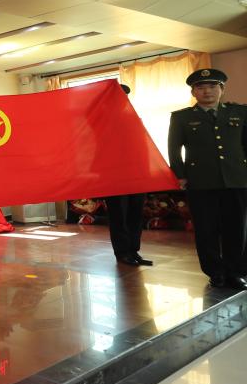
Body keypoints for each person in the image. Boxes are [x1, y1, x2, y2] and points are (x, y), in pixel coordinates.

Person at [167, 68, 247, 290]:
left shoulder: (240, 112)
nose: (207, 91)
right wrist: (180, 175)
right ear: (193, 92)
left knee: (237, 228)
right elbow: (174, 149)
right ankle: (215, 272)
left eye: (212, 86)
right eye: (201, 87)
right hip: (200, 181)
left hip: (236, 179)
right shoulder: (182, 117)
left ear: (222, 89)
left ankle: (236, 272)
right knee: (206, 229)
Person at [105, 84, 152, 267]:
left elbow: (143, 147)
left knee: (135, 214)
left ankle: (134, 250)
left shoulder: (135, 119)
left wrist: (146, 171)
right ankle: (122, 252)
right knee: (119, 215)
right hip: (113, 175)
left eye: (123, 97)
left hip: (136, 173)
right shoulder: (99, 121)